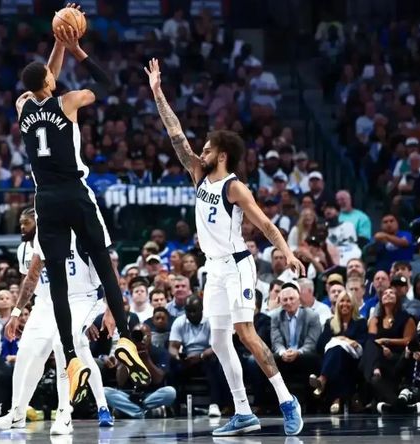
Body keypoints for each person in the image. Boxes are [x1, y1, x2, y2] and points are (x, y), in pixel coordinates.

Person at [148, 57, 305, 437]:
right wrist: (157, 93)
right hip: (214, 267)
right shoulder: (198, 174)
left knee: (245, 332)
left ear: (221, 155)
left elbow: (265, 223)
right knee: (219, 340)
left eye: (206, 149)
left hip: (237, 265)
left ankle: (287, 400)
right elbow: (175, 134)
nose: (199, 152)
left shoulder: (234, 187)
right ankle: (243, 412)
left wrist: (287, 252)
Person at [15, 23, 149, 404]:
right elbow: (106, 84)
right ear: (50, 83)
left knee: (56, 280)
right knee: (103, 263)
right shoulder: (68, 102)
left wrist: (57, 42)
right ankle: (125, 337)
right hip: (75, 193)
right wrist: (75, 49)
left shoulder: (22, 106)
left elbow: (44, 77)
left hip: (45, 200)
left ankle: (72, 360)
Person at [0, 208, 113, 433]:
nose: (22, 227)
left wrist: (110, 310)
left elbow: (109, 272)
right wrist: (17, 312)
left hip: (82, 299)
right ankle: (17, 412)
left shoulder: (82, 235)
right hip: (46, 302)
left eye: (27, 222)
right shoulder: (32, 244)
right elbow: (30, 279)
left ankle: (65, 413)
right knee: (27, 351)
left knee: (62, 345)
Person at [169, 295, 227, 418]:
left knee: (214, 363)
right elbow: (172, 347)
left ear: (201, 309)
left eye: (194, 311)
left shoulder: (211, 321)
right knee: (172, 365)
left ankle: (214, 404)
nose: (191, 314)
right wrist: (178, 357)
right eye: (188, 311)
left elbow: (216, 346)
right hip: (188, 358)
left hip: (206, 356)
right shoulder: (179, 322)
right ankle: (177, 405)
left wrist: (200, 356)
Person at [312, 291, 368, 414]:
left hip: (354, 359)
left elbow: (363, 342)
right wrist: (339, 339)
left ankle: (323, 380)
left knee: (337, 351)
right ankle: (337, 399)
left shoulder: (361, 322)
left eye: (348, 301)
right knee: (337, 353)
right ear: (337, 304)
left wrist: (347, 341)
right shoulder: (330, 322)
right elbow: (321, 345)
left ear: (353, 304)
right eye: (342, 301)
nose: (345, 304)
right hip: (337, 361)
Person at [104, 324, 176, 418]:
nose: (140, 339)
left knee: (170, 392)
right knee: (104, 392)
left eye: (143, 335)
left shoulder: (160, 352)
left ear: (150, 336)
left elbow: (158, 379)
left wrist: (147, 359)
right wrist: (128, 359)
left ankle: (131, 411)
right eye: (137, 336)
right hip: (128, 395)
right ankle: (143, 413)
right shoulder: (125, 352)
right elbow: (120, 382)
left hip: (151, 395)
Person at [269, 284, 321, 402]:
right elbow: (276, 341)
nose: (289, 302)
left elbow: (311, 342)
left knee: (311, 358)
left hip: (304, 353)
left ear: (298, 300)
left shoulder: (312, 315)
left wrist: (298, 352)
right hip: (284, 354)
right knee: (269, 360)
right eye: (285, 300)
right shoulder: (275, 316)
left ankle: (310, 402)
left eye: (292, 299)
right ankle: (273, 403)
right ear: (281, 302)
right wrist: (283, 352)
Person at [377, 329, 420, 414]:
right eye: (417, 344)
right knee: (384, 381)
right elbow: (396, 374)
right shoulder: (410, 353)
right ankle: (409, 408)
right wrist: (405, 357)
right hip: (408, 388)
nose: (419, 348)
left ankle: (395, 406)